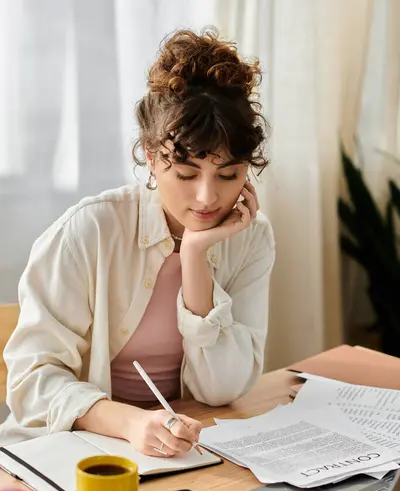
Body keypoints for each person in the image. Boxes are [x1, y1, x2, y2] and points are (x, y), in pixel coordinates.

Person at [0, 28, 275, 455]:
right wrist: (129, 422)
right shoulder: (89, 231)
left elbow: (222, 390)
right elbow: (32, 381)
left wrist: (196, 255)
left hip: (177, 448)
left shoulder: (250, 239)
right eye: (185, 174)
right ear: (150, 158)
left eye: (228, 175)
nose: (207, 198)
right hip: (68, 450)